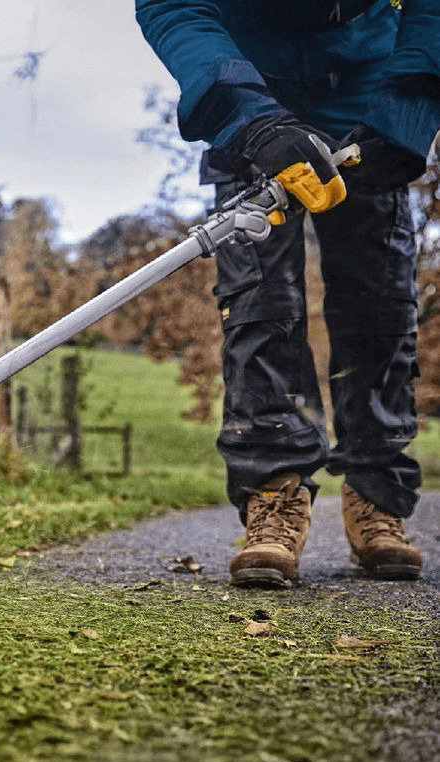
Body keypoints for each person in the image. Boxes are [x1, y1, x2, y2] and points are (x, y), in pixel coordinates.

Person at [135, 0, 440, 588]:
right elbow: (173, 6)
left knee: (380, 307)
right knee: (259, 305)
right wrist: (250, 120)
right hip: (252, 100)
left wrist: (407, 111)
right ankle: (273, 493)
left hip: (371, 101)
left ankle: (378, 493)